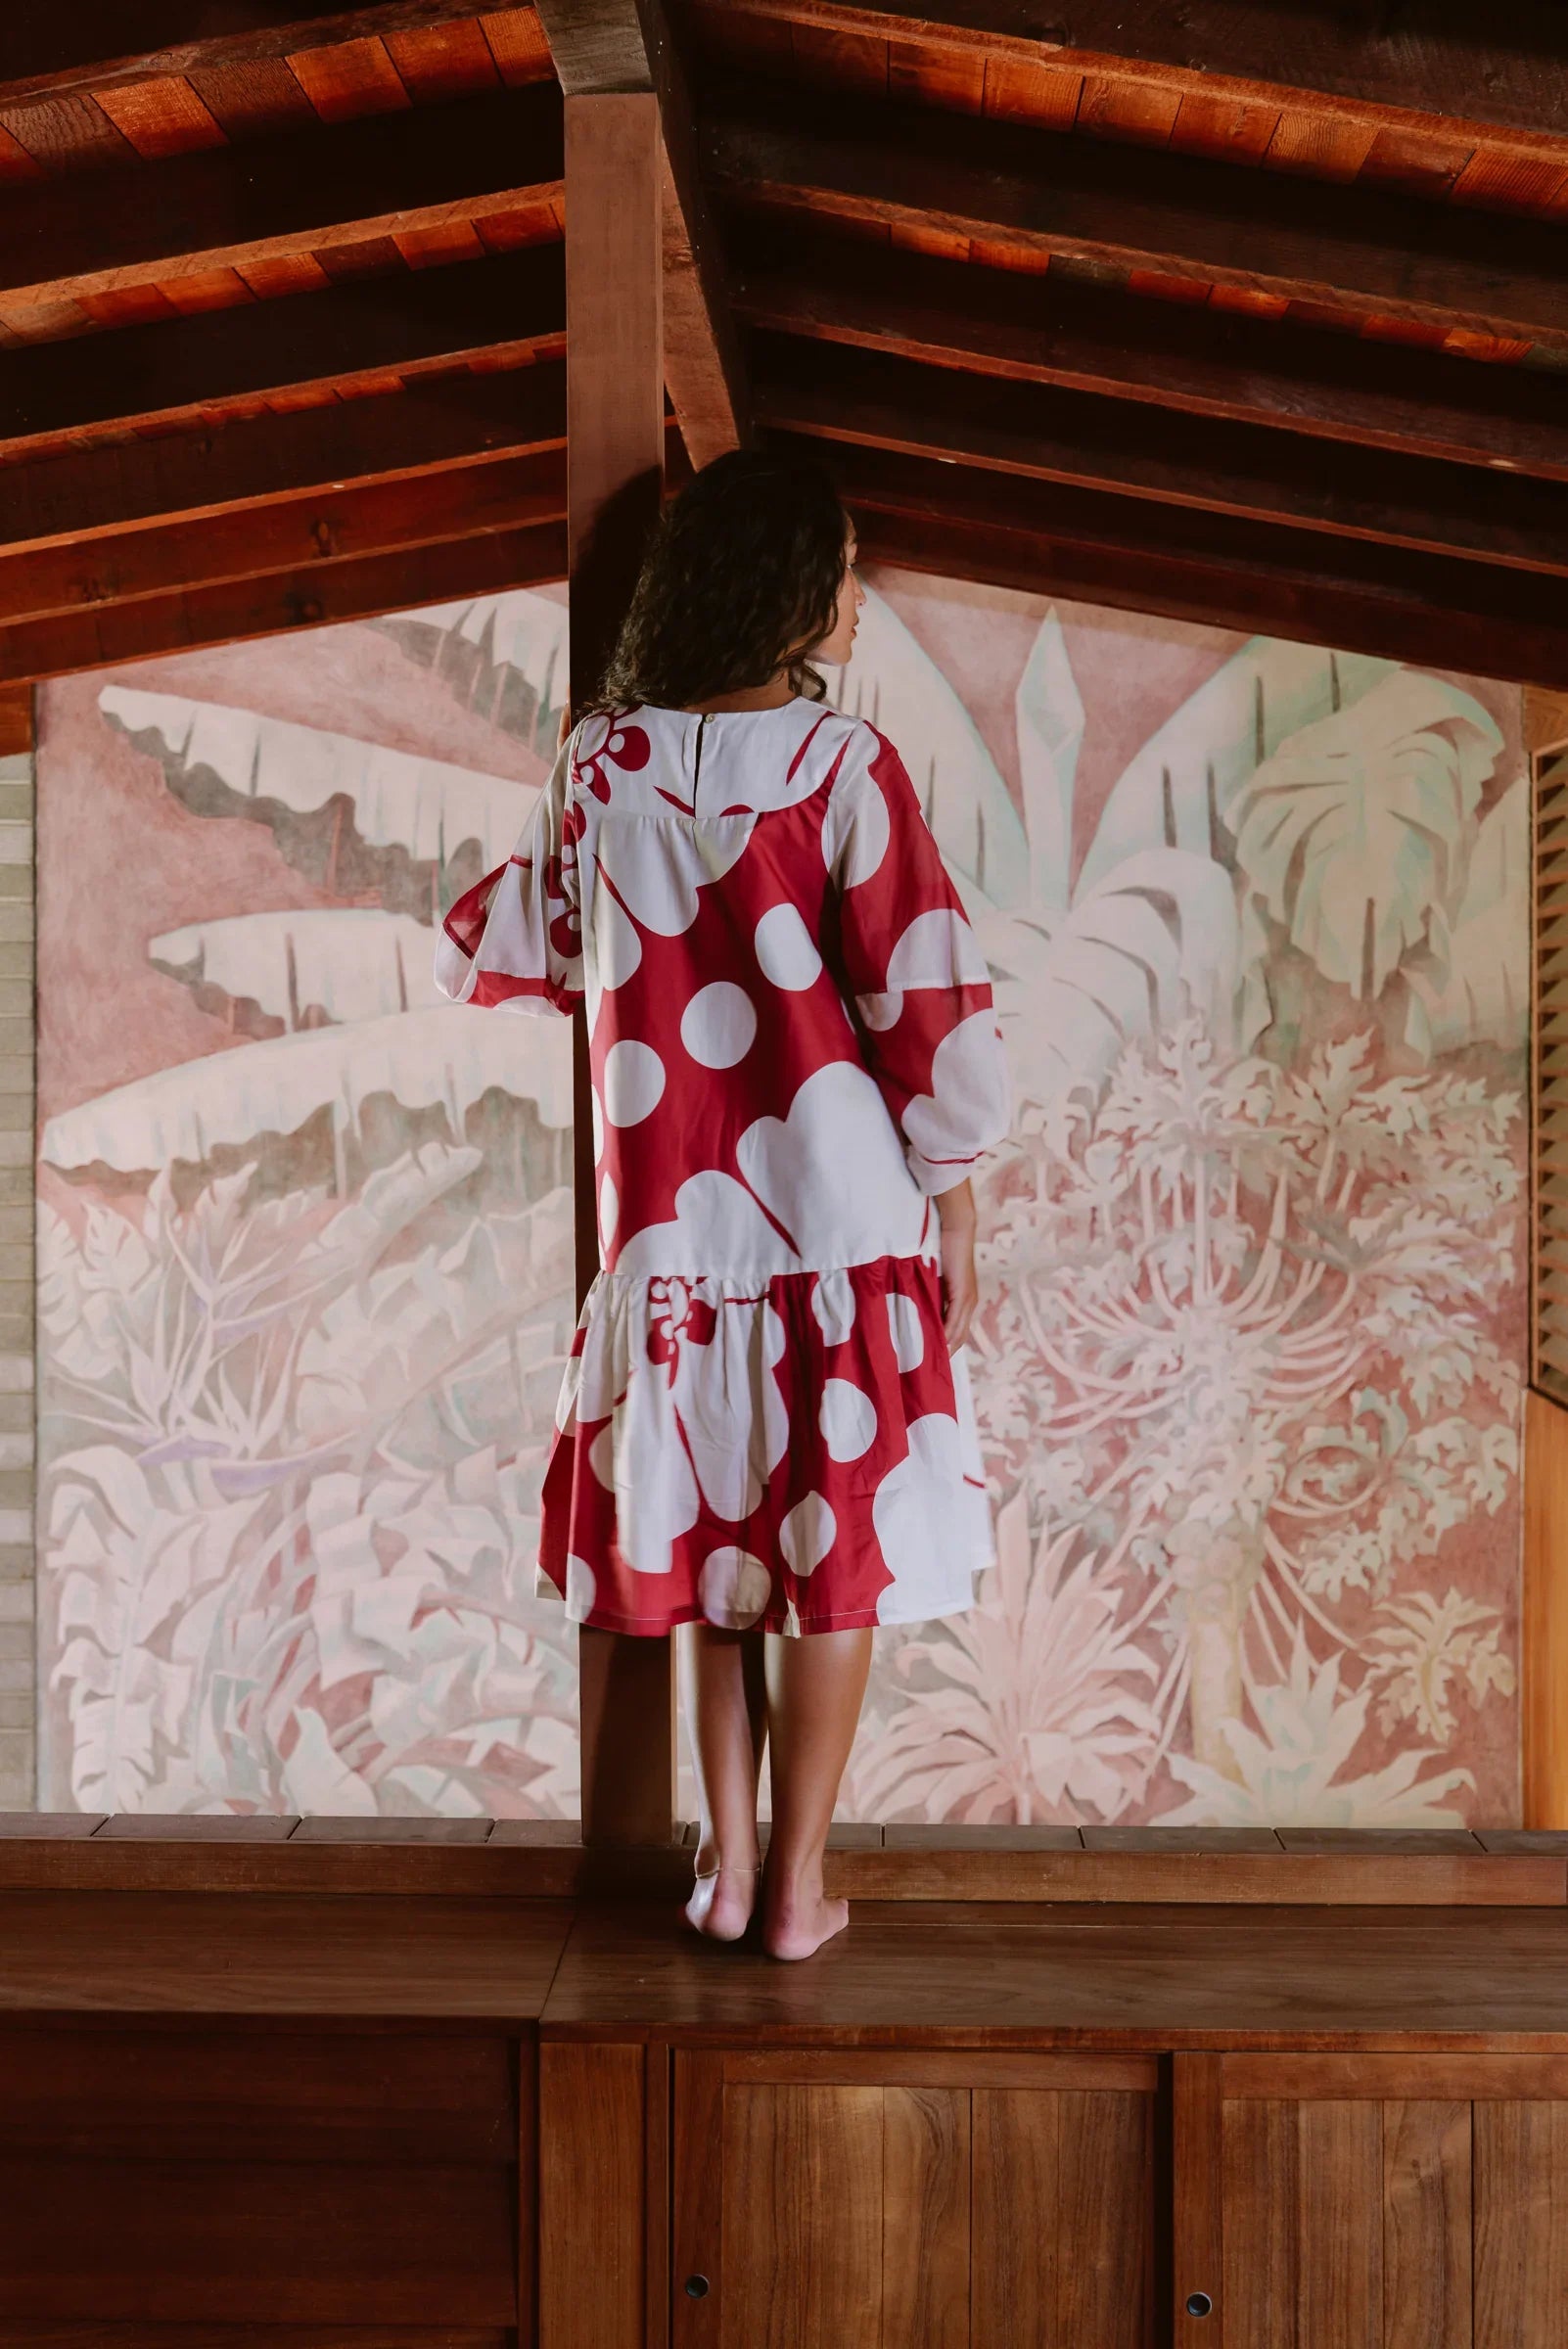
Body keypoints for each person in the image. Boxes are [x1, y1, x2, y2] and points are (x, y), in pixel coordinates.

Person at [436, 449, 1010, 1958]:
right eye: (841, 568)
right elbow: (925, 1001)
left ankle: (730, 1869)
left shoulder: (601, 761)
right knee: (832, 1571)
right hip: (836, 1225)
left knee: (707, 1553)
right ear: (784, 588)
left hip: (672, 1234)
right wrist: (953, 1196)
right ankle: (803, 1888)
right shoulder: (843, 770)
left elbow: (540, 945)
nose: (852, 602)